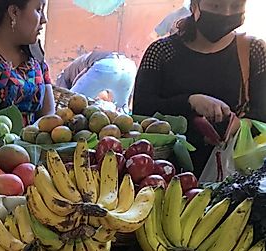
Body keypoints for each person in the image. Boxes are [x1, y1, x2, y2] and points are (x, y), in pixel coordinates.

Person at [133, 0, 266, 173]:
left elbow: (263, 114)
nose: (226, 13)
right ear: (195, 6)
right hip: (166, 175)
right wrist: (190, 102)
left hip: (235, 177)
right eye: (216, 5)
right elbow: (140, 112)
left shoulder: (254, 51)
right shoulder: (161, 52)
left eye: (235, 6)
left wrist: (238, 126)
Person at [56, 51, 138, 110]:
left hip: (106, 65)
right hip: (129, 67)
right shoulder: (77, 65)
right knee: (120, 113)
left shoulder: (62, 77)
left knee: (72, 107)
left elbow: (65, 98)